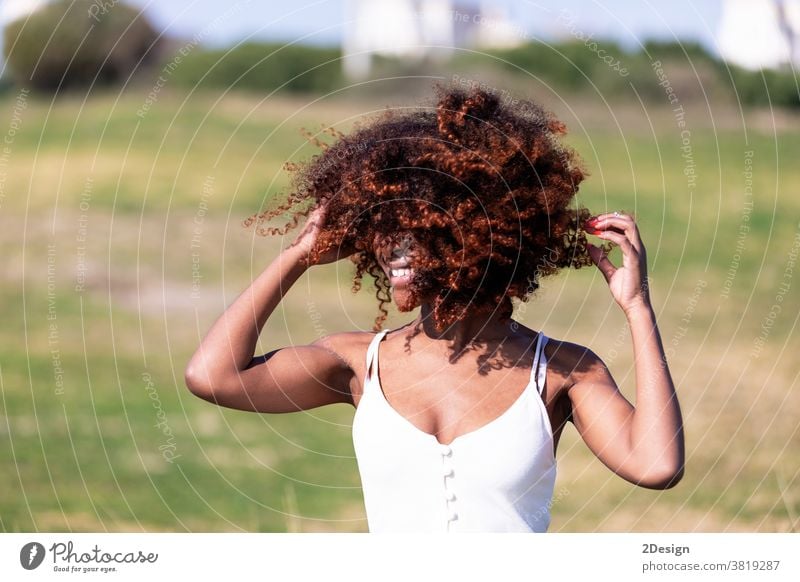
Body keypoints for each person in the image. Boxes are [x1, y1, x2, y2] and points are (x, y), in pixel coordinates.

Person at [184, 86, 685, 532]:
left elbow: (656, 465)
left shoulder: (560, 370)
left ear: (476, 234)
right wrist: (297, 257)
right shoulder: (357, 362)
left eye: (416, 230)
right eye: (384, 228)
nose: (389, 249)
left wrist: (637, 308)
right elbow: (213, 377)